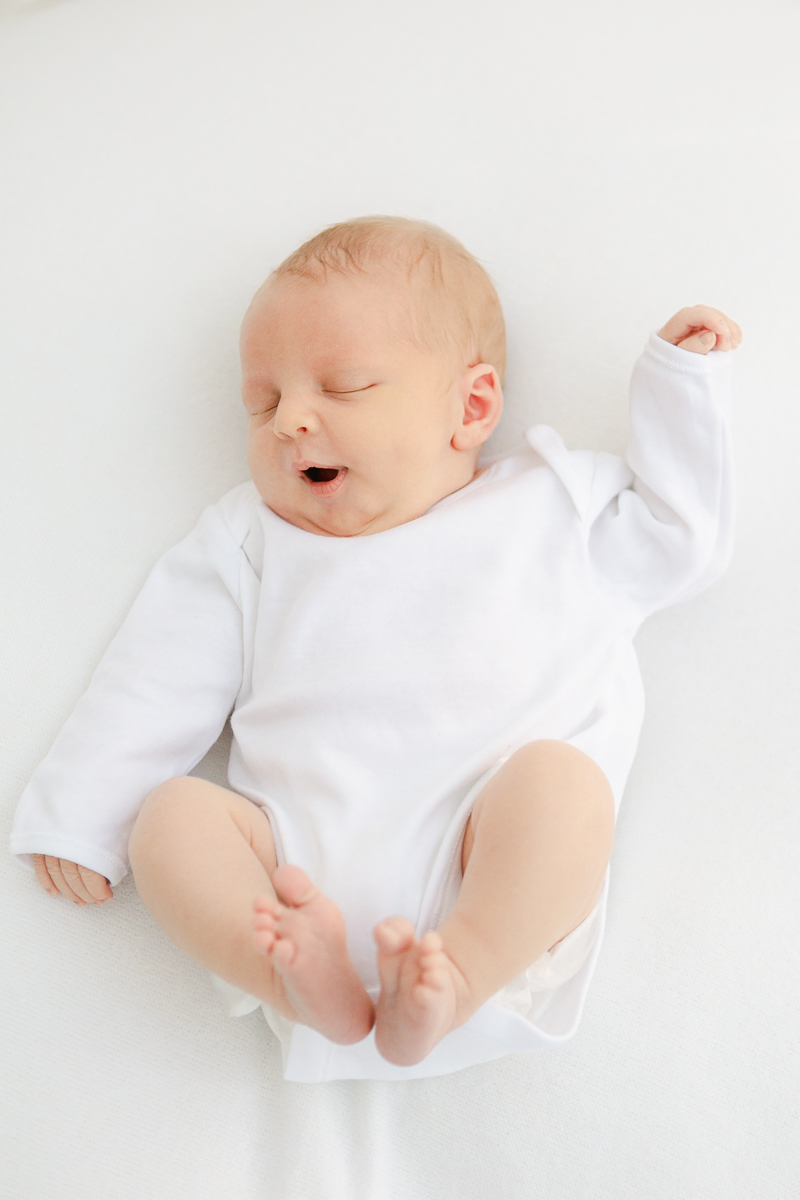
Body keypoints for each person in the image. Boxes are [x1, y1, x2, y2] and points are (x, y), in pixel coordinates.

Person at [10, 216, 740, 1081]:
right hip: (293, 883)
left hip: (487, 868)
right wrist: (84, 810)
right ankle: (301, 982)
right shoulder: (252, 540)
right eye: (263, 402)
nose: (290, 422)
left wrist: (678, 389)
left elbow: (682, 538)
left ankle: (454, 975)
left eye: (343, 386)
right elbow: (155, 673)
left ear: (471, 407)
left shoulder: (554, 509)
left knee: (562, 789)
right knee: (169, 818)